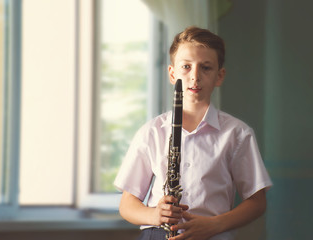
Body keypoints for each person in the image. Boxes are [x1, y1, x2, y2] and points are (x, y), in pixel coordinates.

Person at [114, 26, 272, 240]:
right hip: (158, 233)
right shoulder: (151, 132)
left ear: (219, 75)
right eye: (186, 67)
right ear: (172, 74)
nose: (195, 76)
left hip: (213, 234)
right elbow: (127, 205)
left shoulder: (237, 134)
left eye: (206, 68)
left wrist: (215, 225)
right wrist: (154, 215)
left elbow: (257, 202)